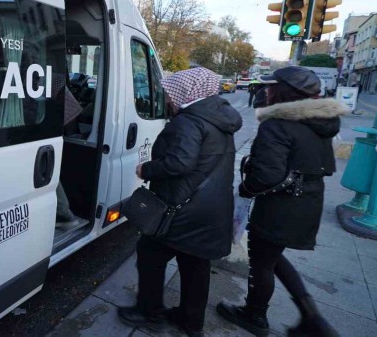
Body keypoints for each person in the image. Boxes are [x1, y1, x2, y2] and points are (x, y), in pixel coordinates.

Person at [217, 66, 347, 337]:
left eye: (272, 86)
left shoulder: (277, 124)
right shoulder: (321, 121)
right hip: (309, 200)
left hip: (281, 204)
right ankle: (311, 316)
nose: (266, 91)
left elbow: (267, 175)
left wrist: (246, 188)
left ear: (285, 91)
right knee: (272, 256)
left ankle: (255, 315)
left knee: (262, 260)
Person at [118, 67, 242, 336]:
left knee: (150, 254)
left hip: (184, 208)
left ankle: (149, 313)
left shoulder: (188, 121)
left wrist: (147, 169)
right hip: (212, 208)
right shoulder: (219, 117)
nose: (168, 97)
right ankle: (191, 322)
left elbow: (179, 162)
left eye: (171, 92)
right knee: (195, 264)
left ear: (186, 92)